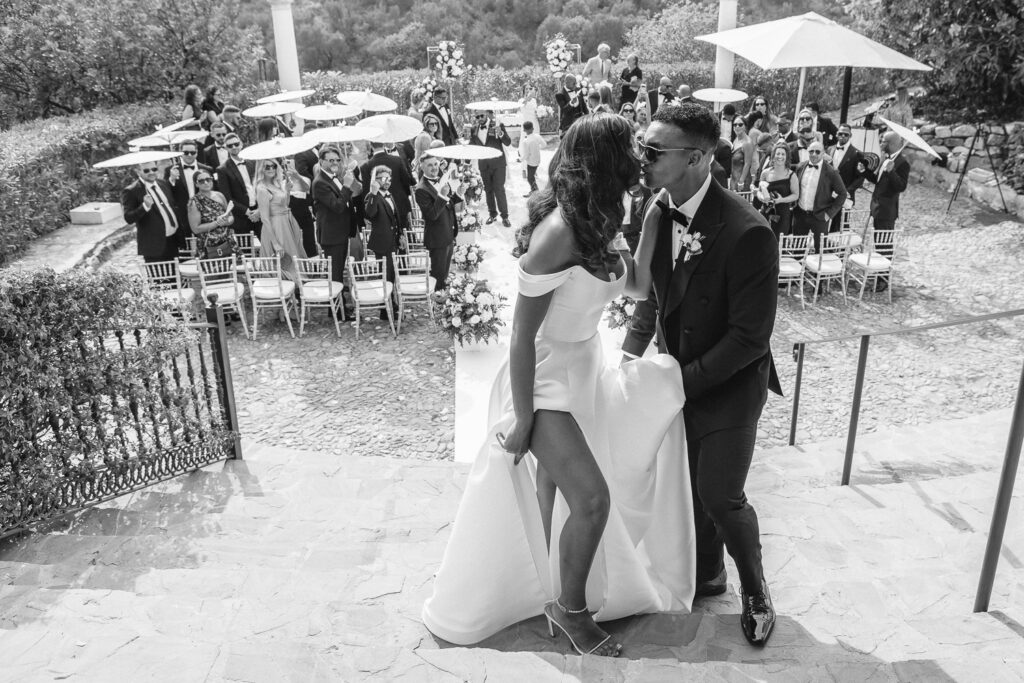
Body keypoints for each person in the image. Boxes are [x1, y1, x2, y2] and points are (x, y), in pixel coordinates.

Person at [422, 112, 694, 654]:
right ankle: (571, 612)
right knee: (592, 499)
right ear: (606, 159)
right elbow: (521, 336)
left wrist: (653, 221)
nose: (641, 155)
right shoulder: (557, 234)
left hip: (585, 369)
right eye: (631, 147)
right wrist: (523, 416)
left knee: (557, 493)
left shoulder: (602, 215)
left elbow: (637, 287)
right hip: (543, 376)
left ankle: (550, 591)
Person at [622, 102, 782, 647]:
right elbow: (656, 301)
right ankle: (708, 572)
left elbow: (749, 339)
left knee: (719, 491)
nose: (641, 159)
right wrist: (627, 359)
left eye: (652, 151)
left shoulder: (749, 232)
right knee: (684, 482)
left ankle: (757, 590)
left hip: (732, 383)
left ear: (695, 158)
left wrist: (676, 383)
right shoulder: (657, 211)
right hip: (674, 376)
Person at [312, 146, 362, 295]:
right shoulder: (320, 182)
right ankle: (336, 311)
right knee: (335, 275)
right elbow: (338, 206)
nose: (335, 163)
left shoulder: (336, 177)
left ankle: (340, 308)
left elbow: (347, 200)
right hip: (332, 235)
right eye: (330, 160)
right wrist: (346, 185)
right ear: (321, 162)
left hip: (342, 232)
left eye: (337, 160)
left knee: (339, 271)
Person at [414, 154, 463, 292]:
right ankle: (437, 304)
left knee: (445, 274)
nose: (434, 168)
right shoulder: (421, 189)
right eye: (429, 165)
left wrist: (458, 194)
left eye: (435, 164)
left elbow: (448, 205)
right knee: (438, 276)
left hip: (448, 233)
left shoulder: (441, 179)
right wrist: (441, 195)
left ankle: (443, 298)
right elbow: (432, 215)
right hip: (437, 238)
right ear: (422, 167)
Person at [255, 158, 308, 282]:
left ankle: (297, 289)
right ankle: (288, 287)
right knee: (284, 259)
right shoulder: (262, 188)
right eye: (267, 167)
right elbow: (265, 218)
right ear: (261, 169)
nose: (271, 169)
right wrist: (275, 243)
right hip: (275, 227)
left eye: (273, 166)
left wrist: (288, 191)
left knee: (293, 254)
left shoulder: (277, 184)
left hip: (287, 223)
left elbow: (285, 204)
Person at [793, 141, 848, 253]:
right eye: (811, 151)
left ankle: (817, 270)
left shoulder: (831, 172)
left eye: (817, 152)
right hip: (800, 215)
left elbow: (843, 193)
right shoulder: (800, 167)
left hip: (820, 216)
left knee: (820, 249)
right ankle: (799, 268)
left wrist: (829, 214)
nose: (814, 154)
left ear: (823, 153)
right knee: (798, 247)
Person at [364, 166, 404, 317]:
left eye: (389, 178)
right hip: (382, 242)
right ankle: (386, 310)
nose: (387, 181)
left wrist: (400, 235)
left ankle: (390, 305)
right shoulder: (372, 196)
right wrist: (374, 193)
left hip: (393, 241)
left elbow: (395, 217)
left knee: (392, 275)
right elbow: (370, 213)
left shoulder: (389, 195)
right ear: (376, 180)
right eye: (384, 178)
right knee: (386, 276)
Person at [122, 161, 181, 263]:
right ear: (138, 172)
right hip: (154, 244)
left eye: (154, 169)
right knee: (159, 278)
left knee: (175, 275)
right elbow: (129, 218)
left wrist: (172, 179)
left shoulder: (162, 183)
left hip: (172, 239)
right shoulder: (131, 191)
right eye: (146, 170)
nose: (151, 172)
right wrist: (145, 206)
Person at [860, 129, 909, 236]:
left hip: (886, 212)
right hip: (877, 209)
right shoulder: (886, 158)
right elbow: (877, 180)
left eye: (883, 141)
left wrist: (892, 172)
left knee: (884, 245)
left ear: (890, 144)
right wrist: (864, 171)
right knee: (878, 243)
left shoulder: (902, 163)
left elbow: (901, 187)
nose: (880, 144)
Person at [360, 140, 415, 234]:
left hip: (380, 209)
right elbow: (407, 181)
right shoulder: (397, 160)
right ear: (383, 143)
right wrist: (405, 195)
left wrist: (367, 214)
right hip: (400, 204)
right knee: (406, 238)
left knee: (387, 239)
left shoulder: (365, 166)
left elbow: (366, 192)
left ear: (370, 145)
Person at [470, 109, 512, 227]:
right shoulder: (474, 129)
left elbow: (508, 142)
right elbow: (472, 145)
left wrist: (501, 134)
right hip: (483, 165)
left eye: (481, 115)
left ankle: (505, 216)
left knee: (499, 189)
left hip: (498, 164)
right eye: (477, 117)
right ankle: (492, 214)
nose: (479, 118)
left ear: (486, 114)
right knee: (488, 190)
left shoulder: (498, 125)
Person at [216, 133, 261, 239]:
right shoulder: (222, 169)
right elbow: (227, 197)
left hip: (260, 211)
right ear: (226, 148)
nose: (234, 147)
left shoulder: (253, 162)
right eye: (230, 146)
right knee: (246, 252)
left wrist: (259, 209)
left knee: (267, 247)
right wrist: (247, 212)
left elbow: (261, 185)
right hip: (241, 216)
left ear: (241, 144)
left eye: (236, 144)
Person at [165, 139, 212, 240]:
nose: (189, 155)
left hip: (205, 213)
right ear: (180, 153)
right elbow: (166, 193)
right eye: (186, 152)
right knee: (187, 247)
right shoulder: (170, 170)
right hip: (182, 215)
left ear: (197, 152)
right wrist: (172, 179)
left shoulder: (207, 169)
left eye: (193, 152)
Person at [755, 145, 799, 240]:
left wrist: (781, 200)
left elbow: (796, 195)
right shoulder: (765, 173)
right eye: (778, 153)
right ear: (773, 156)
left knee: (777, 240)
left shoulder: (791, 175)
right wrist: (762, 198)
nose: (780, 156)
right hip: (765, 212)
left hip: (782, 214)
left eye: (783, 154)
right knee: (763, 239)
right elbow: (759, 191)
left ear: (786, 157)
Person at [188, 169, 235, 258]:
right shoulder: (194, 202)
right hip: (208, 245)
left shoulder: (219, 195)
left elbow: (231, 217)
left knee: (232, 270)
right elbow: (195, 229)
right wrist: (216, 223)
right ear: (196, 184)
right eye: (201, 181)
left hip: (227, 240)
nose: (206, 183)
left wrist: (225, 222)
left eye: (208, 179)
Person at [829, 122, 866, 233]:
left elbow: (861, 178)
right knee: (826, 224)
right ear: (836, 134)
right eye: (841, 133)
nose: (843, 136)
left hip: (845, 196)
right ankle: (826, 248)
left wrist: (847, 191)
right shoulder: (829, 150)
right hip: (828, 195)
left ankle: (841, 249)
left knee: (841, 226)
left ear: (850, 136)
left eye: (846, 134)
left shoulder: (857, 154)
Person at [730, 114, 755, 192]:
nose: (737, 126)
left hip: (742, 180)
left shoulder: (747, 143)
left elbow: (747, 163)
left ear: (745, 126)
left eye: (740, 124)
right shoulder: (735, 139)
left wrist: (741, 181)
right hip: (733, 177)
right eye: (735, 125)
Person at [519, 121, 543, 195]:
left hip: (531, 162)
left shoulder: (525, 141)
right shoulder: (537, 136)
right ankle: (534, 191)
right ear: (533, 128)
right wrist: (537, 148)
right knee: (531, 177)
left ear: (524, 130)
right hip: (538, 160)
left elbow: (526, 154)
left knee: (530, 178)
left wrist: (520, 159)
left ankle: (536, 192)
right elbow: (545, 144)